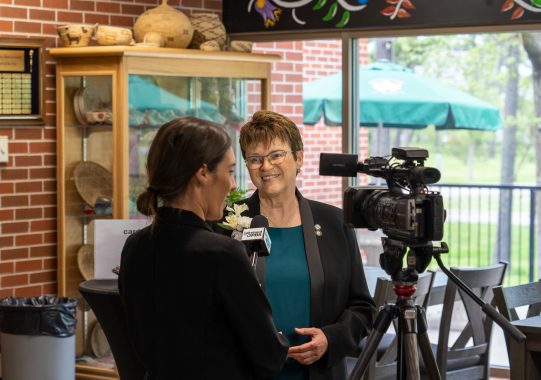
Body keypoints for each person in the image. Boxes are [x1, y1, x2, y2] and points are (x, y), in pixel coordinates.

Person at [119, 116, 289, 379]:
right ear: (203, 173)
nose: (233, 185)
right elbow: (269, 356)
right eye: (230, 171)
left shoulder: (135, 247)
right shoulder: (222, 254)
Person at [232, 110, 375, 379]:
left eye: (276, 155)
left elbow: (363, 308)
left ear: (298, 158)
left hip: (319, 373)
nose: (266, 166)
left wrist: (330, 339)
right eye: (255, 159)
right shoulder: (229, 223)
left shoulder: (334, 222)